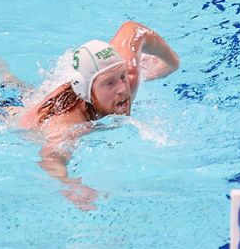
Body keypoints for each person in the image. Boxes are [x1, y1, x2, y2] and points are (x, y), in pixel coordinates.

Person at [12, 21, 181, 210]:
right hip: (7, 115)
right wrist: (71, 185)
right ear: (88, 93)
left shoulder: (128, 76)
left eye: (122, 76)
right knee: (11, 95)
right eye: (109, 83)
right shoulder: (70, 123)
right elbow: (51, 157)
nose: (122, 89)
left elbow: (132, 29)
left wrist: (172, 63)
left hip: (52, 96)